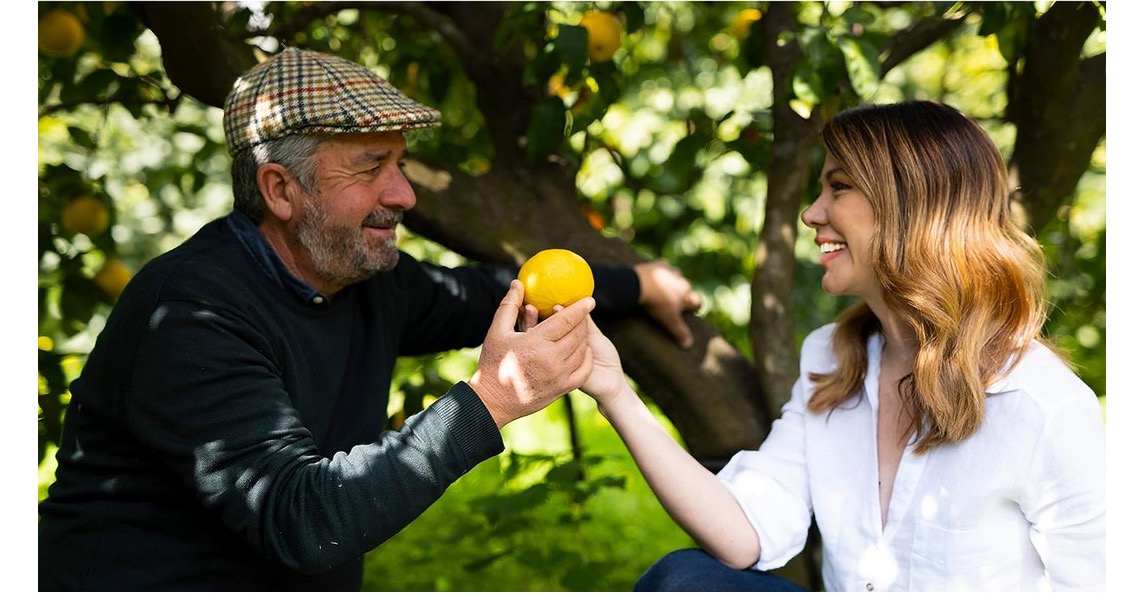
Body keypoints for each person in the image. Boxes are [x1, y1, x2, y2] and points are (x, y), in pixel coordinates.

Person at [37, 47, 702, 591]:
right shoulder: (189, 313)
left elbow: (488, 292)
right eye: (371, 166)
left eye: (400, 163)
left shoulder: (364, 281)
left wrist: (638, 284)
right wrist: (493, 398)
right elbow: (304, 520)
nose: (404, 194)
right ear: (280, 189)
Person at [575, 101, 1106, 591]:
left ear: (914, 206)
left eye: (840, 187)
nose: (811, 214)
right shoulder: (830, 360)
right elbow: (744, 530)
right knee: (685, 579)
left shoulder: (1042, 405)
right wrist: (615, 391)